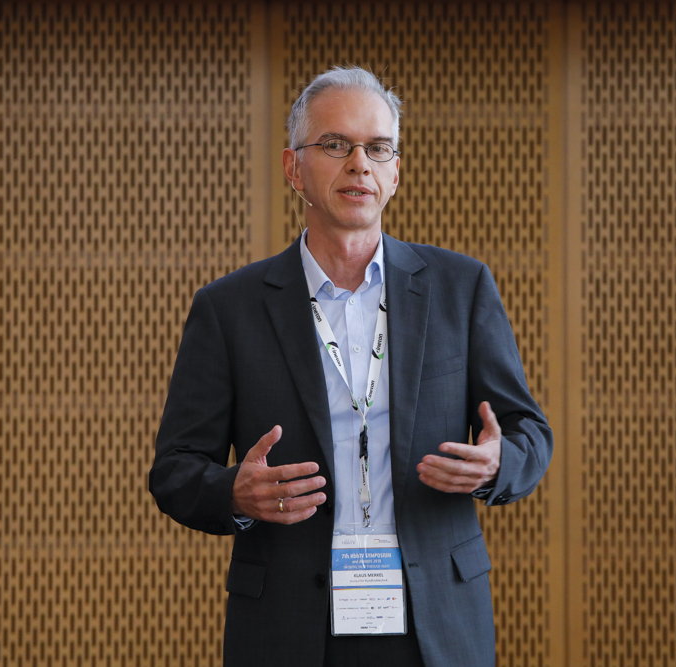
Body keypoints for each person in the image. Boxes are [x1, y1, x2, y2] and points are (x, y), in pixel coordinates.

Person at [149, 65, 552, 667]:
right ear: (293, 168)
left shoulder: (460, 288)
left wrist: (498, 464)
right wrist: (233, 492)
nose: (360, 164)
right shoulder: (229, 309)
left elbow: (530, 433)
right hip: (288, 625)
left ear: (395, 173)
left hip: (436, 621)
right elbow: (175, 470)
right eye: (336, 145)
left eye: (378, 148)